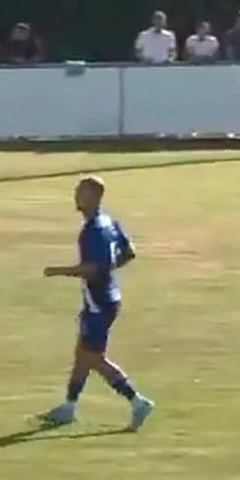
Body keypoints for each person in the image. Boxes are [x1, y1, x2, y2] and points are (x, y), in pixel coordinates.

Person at [41, 177, 156, 432]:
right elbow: (129, 252)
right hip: (107, 297)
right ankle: (69, 407)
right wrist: (108, 269)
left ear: (93, 196)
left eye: (81, 192)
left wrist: (58, 271)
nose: (76, 196)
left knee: (93, 358)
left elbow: (91, 270)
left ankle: (138, 401)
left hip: (99, 303)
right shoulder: (109, 221)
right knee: (82, 355)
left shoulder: (92, 231)